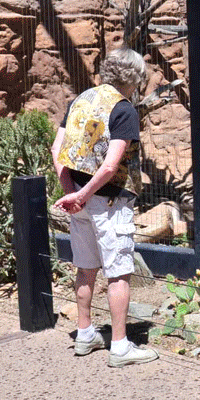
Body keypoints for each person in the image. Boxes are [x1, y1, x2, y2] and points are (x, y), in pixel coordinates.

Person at [51, 47, 158, 368]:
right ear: (136, 79)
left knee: (85, 268)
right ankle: (121, 346)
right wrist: (84, 194)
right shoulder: (124, 110)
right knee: (118, 273)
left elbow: (57, 147)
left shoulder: (81, 100)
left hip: (79, 201)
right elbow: (111, 167)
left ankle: (84, 334)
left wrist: (72, 191)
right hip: (109, 200)